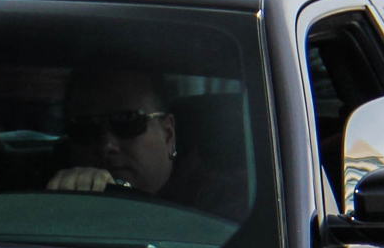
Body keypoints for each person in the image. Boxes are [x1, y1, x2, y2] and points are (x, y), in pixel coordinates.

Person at [46, 68, 246, 220]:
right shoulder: (47, 202)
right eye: (85, 128)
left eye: (127, 122)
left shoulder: (230, 206)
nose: (106, 145)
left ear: (168, 135)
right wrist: (64, 209)